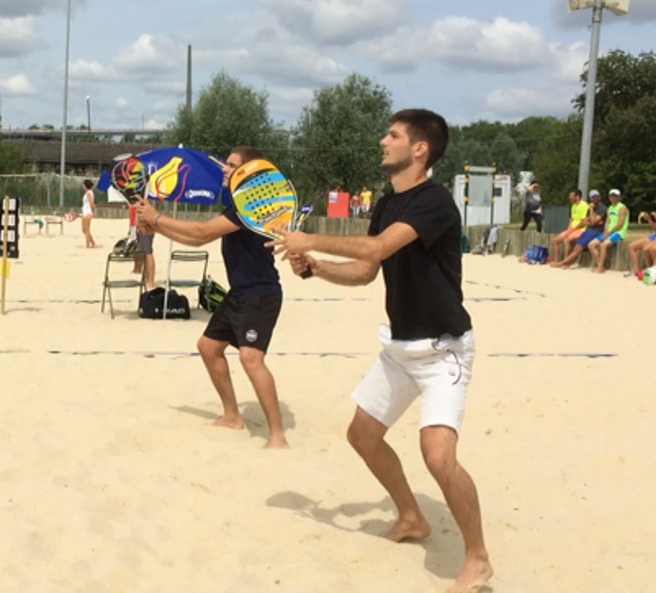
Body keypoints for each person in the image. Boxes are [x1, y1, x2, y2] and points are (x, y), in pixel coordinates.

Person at [269, 109, 491, 593]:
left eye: (392, 135)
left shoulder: (433, 202)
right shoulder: (388, 203)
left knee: (438, 457)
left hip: (444, 350)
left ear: (419, 149)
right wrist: (316, 268)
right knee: (363, 435)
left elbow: (376, 250)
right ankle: (413, 517)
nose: (381, 141)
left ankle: (477, 559)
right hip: (400, 347)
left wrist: (309, 237)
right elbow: (369, 272)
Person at [133, 146, 289, 449]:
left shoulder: (250, 207)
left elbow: (202, 232)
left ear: (247, 172)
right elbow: (196, 237)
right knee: (208, 347)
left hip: (261, 294)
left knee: (250, 359)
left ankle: (277, 435)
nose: (225, 170)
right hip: (240, 293)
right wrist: (157, 225)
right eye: (226, 165)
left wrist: (158, 218)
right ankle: (232, 416)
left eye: (232, 166)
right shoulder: (236, 203)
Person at [551, 190, 606, 269]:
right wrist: (569, 229)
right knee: (575, 247)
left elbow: (592, 221)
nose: (594, 199)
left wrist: (591, 210)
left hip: (592, 231)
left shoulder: (599, 208)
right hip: (587, 230)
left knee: (573, 244)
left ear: (600, 197)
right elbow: (586, 221)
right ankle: (563, 262)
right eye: (592, 197)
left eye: (596, 196)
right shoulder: (575, 206)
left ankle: (564, 263)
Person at [628, 194, 656, 277]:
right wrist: (649, 220)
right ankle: (636, 270)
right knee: (631, 246)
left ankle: (651, 270)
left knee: (647, 249)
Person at [588, 189, 629, 273]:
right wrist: (606, 233)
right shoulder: (610, 208)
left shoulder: (622, 207)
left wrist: (608, 234)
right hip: (609, 232)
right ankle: (600, 265)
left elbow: (620, 224)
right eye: (611, 196)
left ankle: (600, 267)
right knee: (591, 245)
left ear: (619, 197)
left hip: (618, 232)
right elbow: (607, 222)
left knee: (603, 245)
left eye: (615, 196)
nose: (613, 198)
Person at [549, 188, 589, 264]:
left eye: (571, 195)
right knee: (555, 240)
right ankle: (556, 261)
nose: (569, 197)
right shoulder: (573, 206)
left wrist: (571, 231)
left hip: (581, 230)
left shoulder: (584, 205)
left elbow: (583, 222)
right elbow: (571, 220)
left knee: (567, 240)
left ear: (577, 197)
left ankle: (565, 262)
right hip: (572, 229)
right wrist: (568, 230)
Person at [80, 179, 98, 248]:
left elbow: (91, 203)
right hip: (85, 211)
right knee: (84, 230)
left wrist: (93, 210)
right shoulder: (88, 192)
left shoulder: (89, 193)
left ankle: (88, 245)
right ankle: (93, 242)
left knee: (87, 230)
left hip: (87, 212)